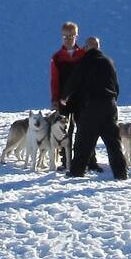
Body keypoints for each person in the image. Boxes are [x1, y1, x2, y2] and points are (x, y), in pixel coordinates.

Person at [60, 36, 129, 180]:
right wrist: (112, 100)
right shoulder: (109, 62)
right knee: (113, 142)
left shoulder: (84, 62)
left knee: (83, 141)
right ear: (98, 47)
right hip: (109, 105)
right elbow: (116, 86)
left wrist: (64, 96)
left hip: (91, 106)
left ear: (86, 48)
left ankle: (77, 171)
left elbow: (74, 82)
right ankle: (121, 173)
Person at [50, 22, 101, 172]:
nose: (68, 39)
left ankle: (90, 160)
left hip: (82, 98)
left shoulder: (83, 54)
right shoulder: (57, 57)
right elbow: (54, 80)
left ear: (76, 36)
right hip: (64, 99)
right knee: (65, 129)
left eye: (71, 36)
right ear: (61, 37)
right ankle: (66, 161)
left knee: (85, 129)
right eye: (65, 36)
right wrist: (55, 99)